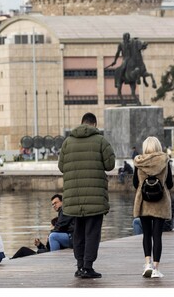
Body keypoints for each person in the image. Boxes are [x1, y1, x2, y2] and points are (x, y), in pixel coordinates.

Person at [58, 112, 116, 279]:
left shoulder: (67, 142)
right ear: (94, 124)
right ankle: (88, 266)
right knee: (92, 232)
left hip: (73, 197)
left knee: (78, 232)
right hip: (95, 197)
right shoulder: (100, 141)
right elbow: (110, 164)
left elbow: (61, 167)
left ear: (81, 123)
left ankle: (79, 266)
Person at [132, 136, 174, 279]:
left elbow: (134, 183)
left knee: (146, 234)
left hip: (144, 202)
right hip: (160, 202)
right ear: (158, 146)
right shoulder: (165, 161)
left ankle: (147, 264)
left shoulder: (139, 162)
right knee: (157, 236)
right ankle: (156, 268)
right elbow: (170, 183)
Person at [12, 193, 75, 259]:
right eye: (52, 204)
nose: (54, 205)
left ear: (62, 201)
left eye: (55, 203)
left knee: (23, 250)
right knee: (23, 250)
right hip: (45, 254)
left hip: (47, 256)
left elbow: (60, 225)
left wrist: (51, 233)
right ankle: (11, 260)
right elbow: (49, 248)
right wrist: (39, 245)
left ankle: (11, 261)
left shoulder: (64, 211)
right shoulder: (59, 231)